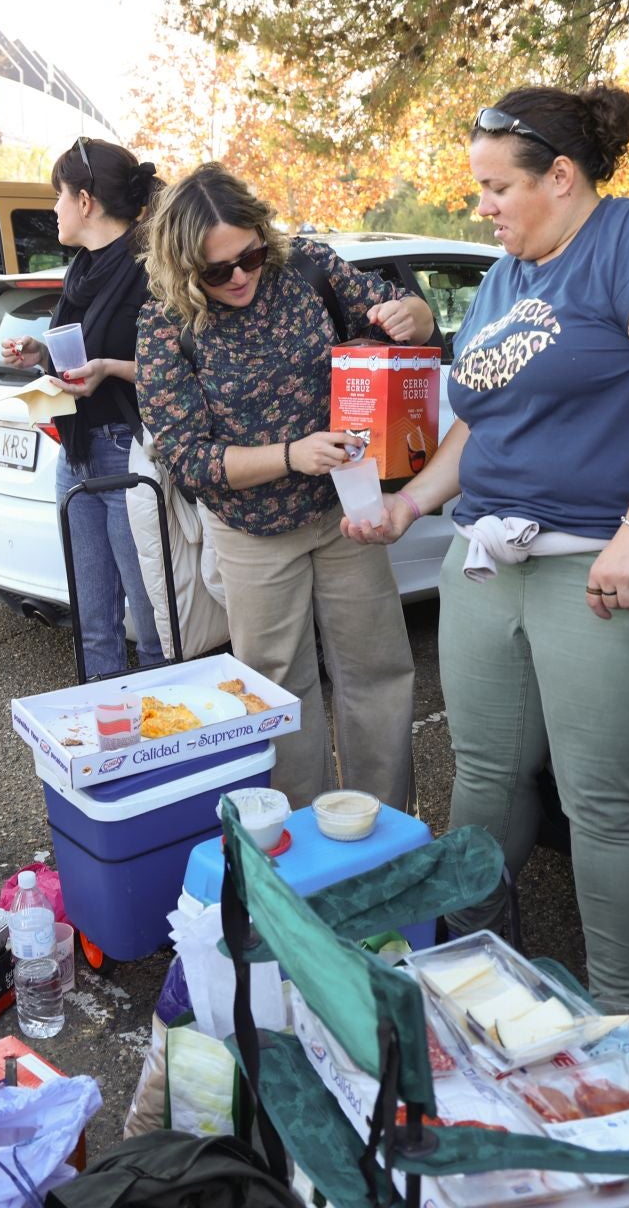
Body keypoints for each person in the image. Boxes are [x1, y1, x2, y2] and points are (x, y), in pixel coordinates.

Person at [346, 86, 629, 1010]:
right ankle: (463, 964)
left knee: (604, 796)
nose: (479, 207)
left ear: (561, 177)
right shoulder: (505, 275)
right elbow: (489, 420)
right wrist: (412, 507)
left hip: (618, 564)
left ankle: (620, 1013)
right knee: (484, 769)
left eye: (496, 187)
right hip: (494, 556)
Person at [137, 162, 434, 807]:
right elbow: (187, 458)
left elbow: (403, 311)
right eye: (217, 272)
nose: (240, 277)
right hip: (251, 531)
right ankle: (297, 838)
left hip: (344, 507)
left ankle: (379, 829)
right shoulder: (165, 324)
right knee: (275, 691)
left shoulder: (310, 268)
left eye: (248, 257)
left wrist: (416, 313)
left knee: (377, 669)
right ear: (185, 269)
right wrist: (291, 455)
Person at [0, 138, 166, 677]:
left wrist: (112, 370)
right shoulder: (81, 272)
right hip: (74, 454)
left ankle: (169, 742)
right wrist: (41, 353)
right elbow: (82, 346)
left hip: (128, 456)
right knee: (93, 624)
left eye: (58, 195)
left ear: (86, 201)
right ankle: (110, 746)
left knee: (155, 622)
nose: (53, 207)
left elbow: (188, 370)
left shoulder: (151, 273)